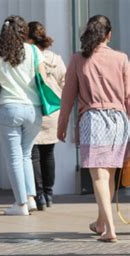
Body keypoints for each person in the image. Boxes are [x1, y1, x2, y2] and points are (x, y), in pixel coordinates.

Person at [58, 15, 129, 242]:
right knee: (108, 175)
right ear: (109, 35)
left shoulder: (79, 59)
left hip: (94, 119)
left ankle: (109, 229)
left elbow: (68, 97)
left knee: (98, 176)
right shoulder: (121, 58)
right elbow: (128, 96)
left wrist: (62, 125)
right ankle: (101, 222)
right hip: (119, 120)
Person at [0, 15, 47, 216]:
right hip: (33, 109)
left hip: (9, 108)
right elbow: (43, 78)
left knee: (14, 157)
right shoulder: (34, 51)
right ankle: (30, 199)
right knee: (26, 154)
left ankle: (20, 205)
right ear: (24, 32)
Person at [27, 21, 66, 210]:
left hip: (34, 108)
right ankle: (49, 194)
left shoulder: (28, 57)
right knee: (49, 153)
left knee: (34, 154)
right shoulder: (56, 59)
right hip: (53, 110)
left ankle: (39, 195)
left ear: (30, 38)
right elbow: (65, 83)